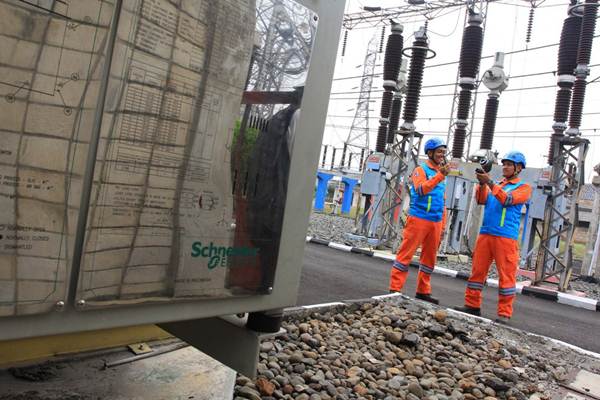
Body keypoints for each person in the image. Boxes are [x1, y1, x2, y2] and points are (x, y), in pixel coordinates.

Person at [454, 151, 531, 323]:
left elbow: (507, 200)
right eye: (504, 164)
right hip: (486, 233)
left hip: (505, 237)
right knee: (477, 271)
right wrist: (481, 184)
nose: (505, 167)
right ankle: (472, 305)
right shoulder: (498, 185)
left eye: (509, 164)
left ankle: (504, 313)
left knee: (506, 275)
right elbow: (481, 200)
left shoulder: (523, 188)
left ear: (518, 168)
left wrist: (488, 182)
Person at [389, 137, 449, 304]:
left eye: (443, 152)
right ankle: (395, 289)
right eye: (439, 152)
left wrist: (443, 225)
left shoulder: (442, 174)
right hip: (419, 218)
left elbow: (442, 202)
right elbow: (421, 189)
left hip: (435, 221)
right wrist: (440, 176)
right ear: (429, 153)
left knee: (429, 259)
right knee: (406, 253)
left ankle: (423, 291)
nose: (442, 155)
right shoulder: (420, 170)